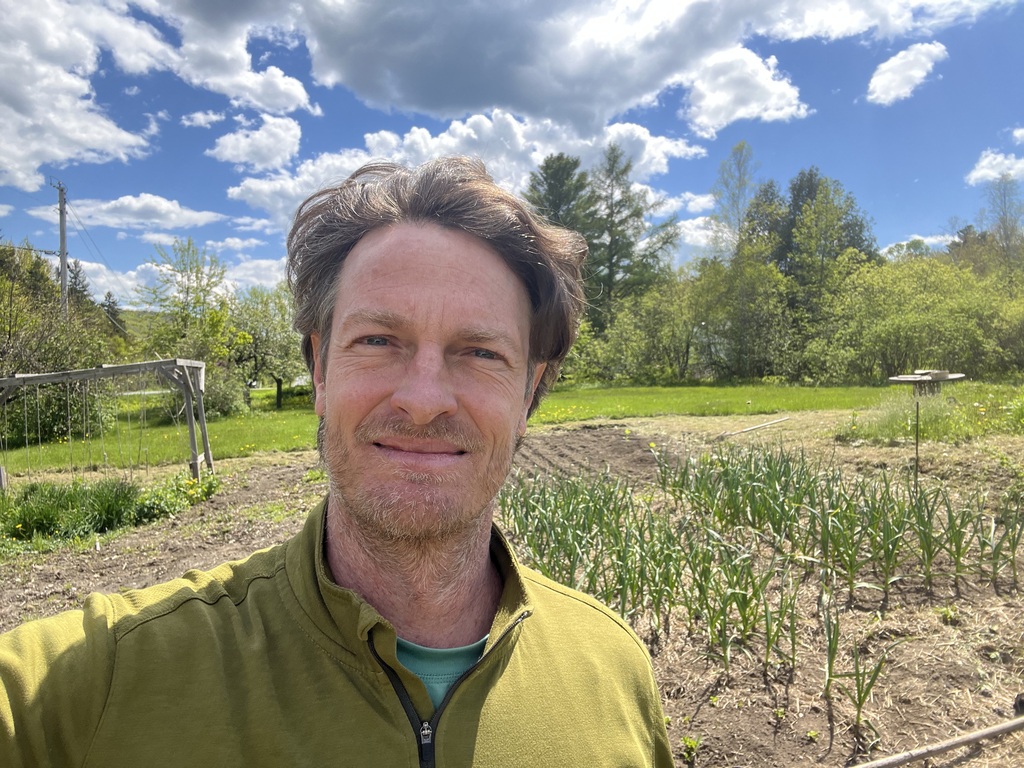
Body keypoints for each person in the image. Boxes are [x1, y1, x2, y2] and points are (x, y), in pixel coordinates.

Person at [0, 157, 673, 766]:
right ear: (320, 368)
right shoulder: (102, 679)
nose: (422, 400)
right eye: (379, 339)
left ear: (530, 391)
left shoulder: (613, 671)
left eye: (481, 352)